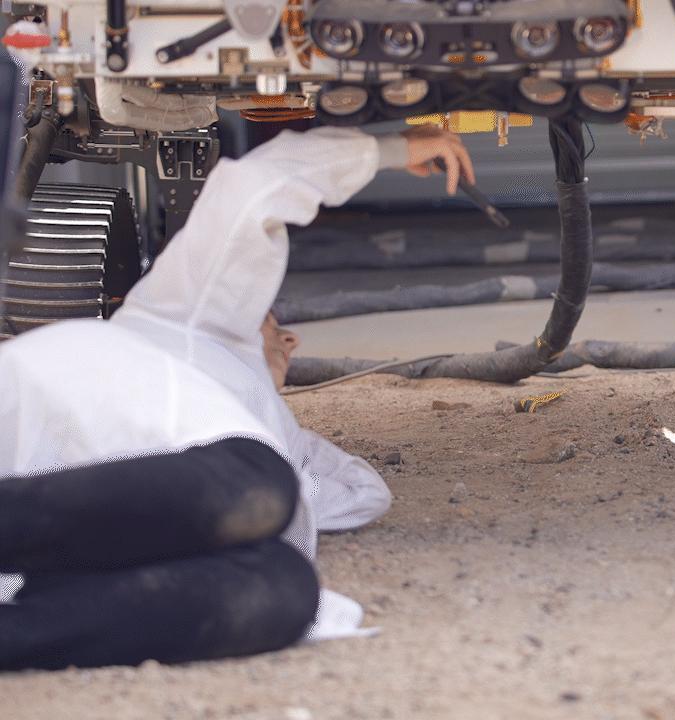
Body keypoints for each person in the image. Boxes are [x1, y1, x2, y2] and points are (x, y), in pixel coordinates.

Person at [0, 123, 476, 671]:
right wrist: (391, 149)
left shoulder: (280, 442)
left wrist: (296, 437)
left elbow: (364, 496)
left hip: (124, 532)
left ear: (291, 347)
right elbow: (254, 190)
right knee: (262, 484)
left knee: (286, 590)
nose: (272, 316)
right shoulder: (187, 315)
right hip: (48, 438)